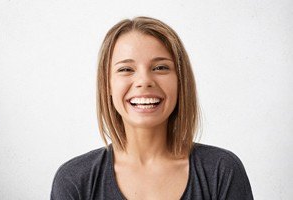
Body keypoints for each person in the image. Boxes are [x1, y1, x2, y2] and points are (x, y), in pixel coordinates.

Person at [50, 16, 253, 200]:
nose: (144, 81)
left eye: (160, 68)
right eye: (126, 69)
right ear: (107, 85)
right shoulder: (74, 180)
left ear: (181, 81)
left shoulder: (222, 170)